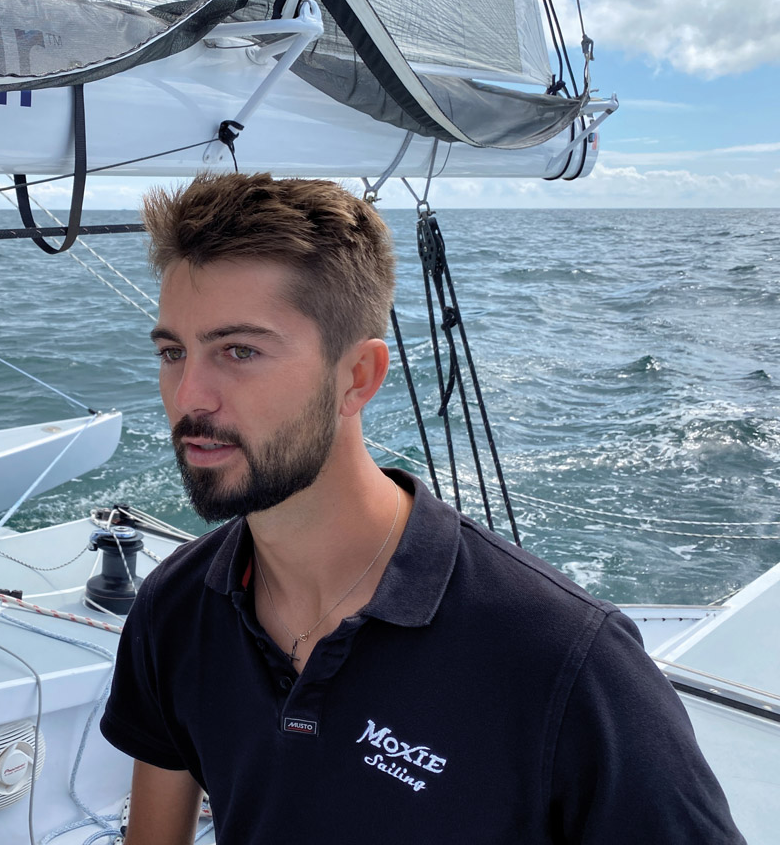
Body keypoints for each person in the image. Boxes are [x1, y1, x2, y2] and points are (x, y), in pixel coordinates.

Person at [99, 173, 743, 843]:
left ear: (358, 377)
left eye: (239, 351)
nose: (189, 395)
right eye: (173, 352)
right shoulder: (175, 609)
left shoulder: (564, 659)